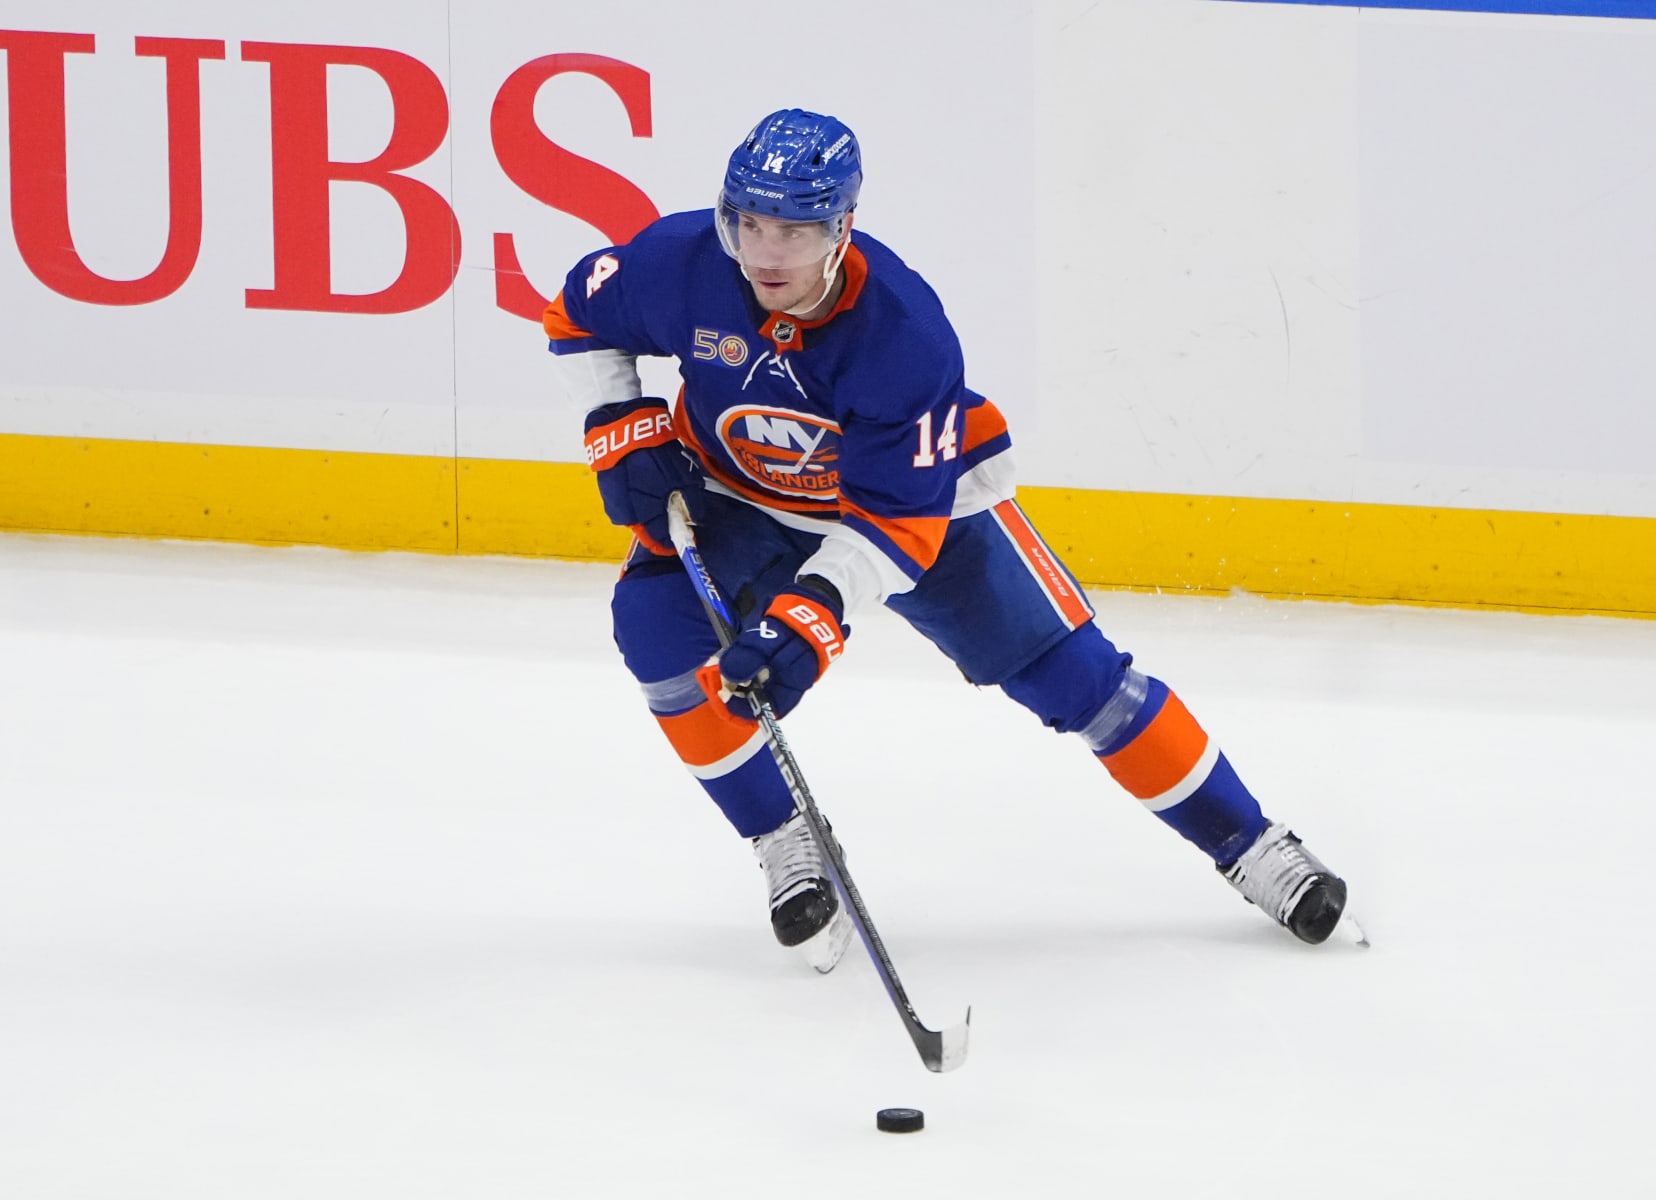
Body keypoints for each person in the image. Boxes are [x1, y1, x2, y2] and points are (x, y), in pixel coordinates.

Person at [544, 108, 1353, 972]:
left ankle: (1252, 843)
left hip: (927, 511)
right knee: (655, 632)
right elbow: (578, 309)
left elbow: (894, 521)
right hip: (739, 494)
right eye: (749, 223)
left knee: (1081, 682)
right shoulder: (681, 265)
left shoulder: (904, 335)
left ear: (841, 228)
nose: (767, 251)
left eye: (796, 228)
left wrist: (813, 615)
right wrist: (620, 418)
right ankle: (785, 836)